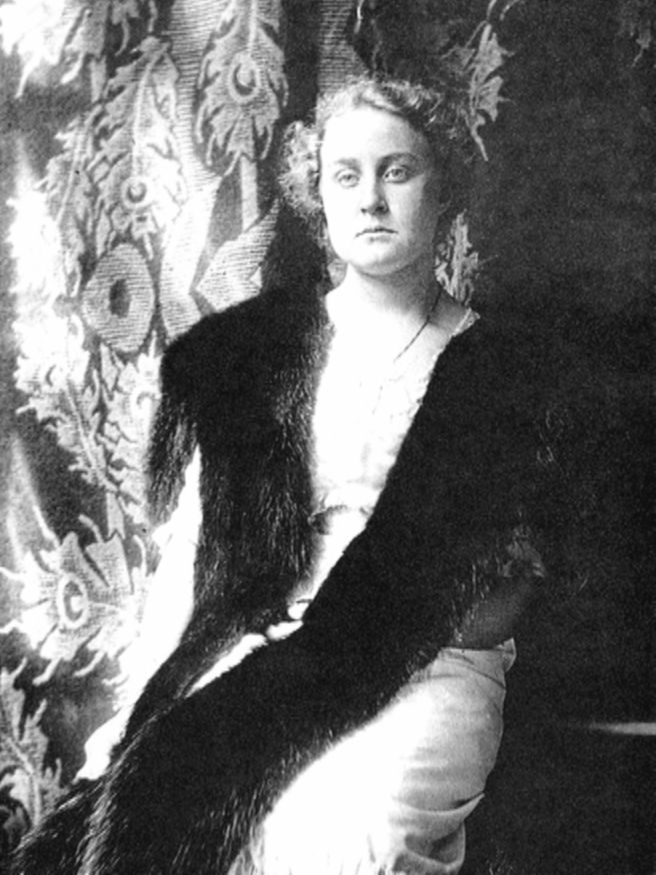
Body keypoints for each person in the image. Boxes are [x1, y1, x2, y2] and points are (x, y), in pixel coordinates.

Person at [13, 76, 585, 875]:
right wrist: (160, 693)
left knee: (354, 829)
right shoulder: (261, 349)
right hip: (255, 643)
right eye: (346, 176)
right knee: (147, 799)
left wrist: (362, 628)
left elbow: (506, 596)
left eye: (398, 171)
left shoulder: (504, 369)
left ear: (445, 188)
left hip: (428, 663)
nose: (371, 199)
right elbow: (197, 559)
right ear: (319, 196)